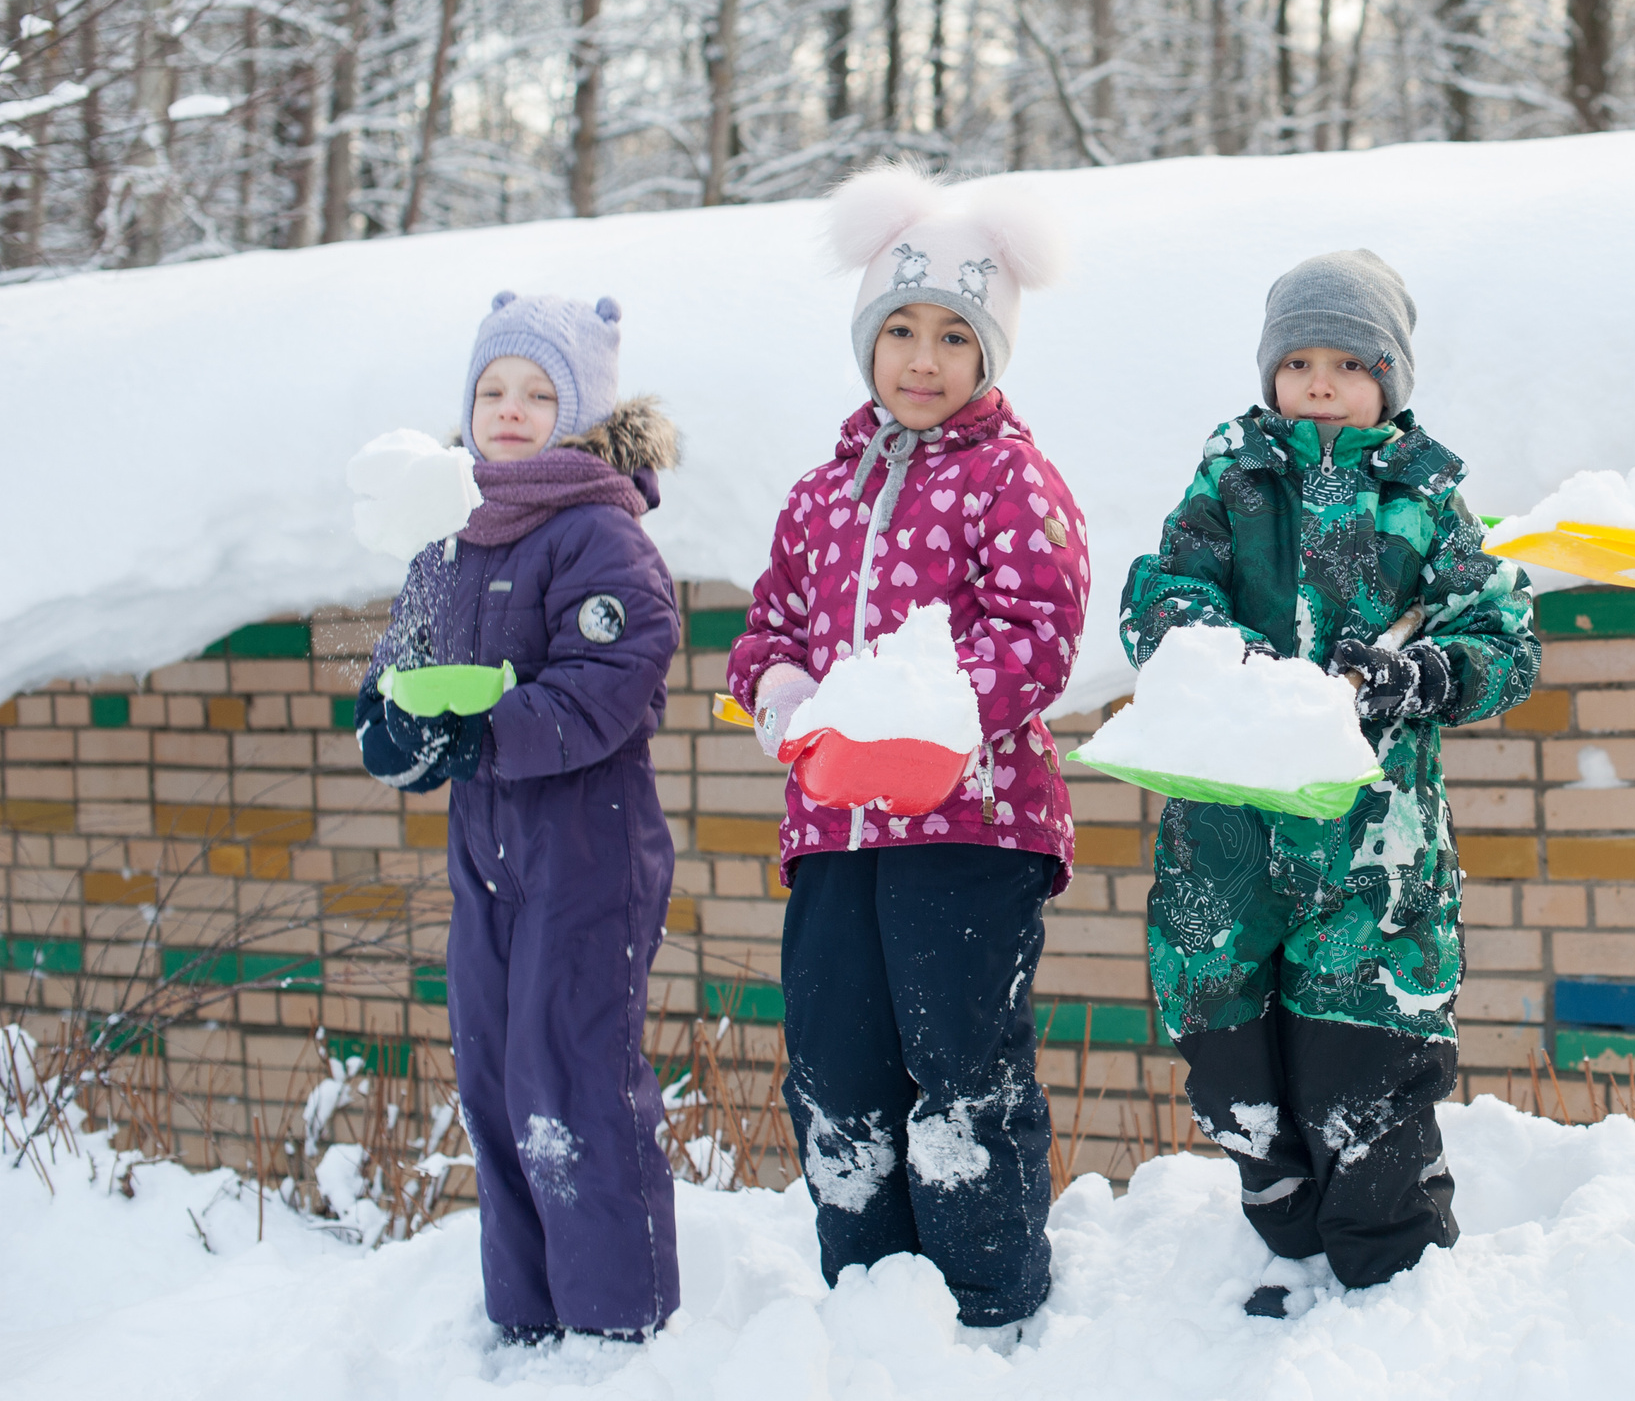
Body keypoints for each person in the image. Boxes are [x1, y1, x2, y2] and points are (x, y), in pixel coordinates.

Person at [1122, 249, 1541, 1317]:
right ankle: (1288, 1245)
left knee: (1363, 1074)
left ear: (1389, 381)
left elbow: (1500, 630)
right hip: (1228, 844)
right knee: (1237, 1078)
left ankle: (1385, 1269)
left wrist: (1423, 673)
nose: (1319, 381)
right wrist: (1219, 650)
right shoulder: (1229, 480)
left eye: (1348, 362)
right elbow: (1160, 590)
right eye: (1298, 359)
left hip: (1372, 851)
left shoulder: (1426, 500)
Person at [726, 163, 1087, 1345]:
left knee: (959, 1063)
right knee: (836, 1064)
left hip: (971, 826)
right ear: (868, 342)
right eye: (900, 331)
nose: (922, 359)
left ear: (990, 354)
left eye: (952, 336)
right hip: (834, 829)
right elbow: (768, 630)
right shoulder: (820, 495)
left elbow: (1040, 634)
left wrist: (926, 713)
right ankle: (869, 1301)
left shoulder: (1010, 478)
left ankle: (988, 1310)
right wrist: (782, 696)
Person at [356, 290, 683, 1344]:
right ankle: (529, 1322)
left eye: (539, 391)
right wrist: (388, 729)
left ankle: (617, 1327)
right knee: (497, 1077)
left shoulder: (600, 534)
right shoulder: (448, 535)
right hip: (485, 856)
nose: (509, 407)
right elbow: (400, 671)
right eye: (492, 388)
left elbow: (606, 682)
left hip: (589, 850)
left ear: (579, 409)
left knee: (573, 1075)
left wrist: (479, 734)